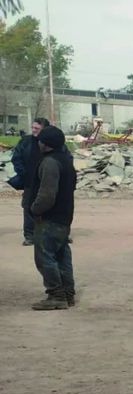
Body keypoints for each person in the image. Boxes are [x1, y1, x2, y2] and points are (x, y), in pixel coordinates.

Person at [25, 125, 76, 310]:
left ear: (45, 144)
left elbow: (47, 195)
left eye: (40, 140)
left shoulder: (49, 163)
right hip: (64, 217)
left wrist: (35, 210)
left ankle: (56, 295)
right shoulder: (66, 160)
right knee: (62, 256)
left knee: (45, 257)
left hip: (49, 219)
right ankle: (68, 293)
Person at [8, 117, 48, 246]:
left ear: (44, 129)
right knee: (28, 207)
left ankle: (54, 234)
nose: (34, 130)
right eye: (33, 128)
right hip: (30, 181)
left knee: (50, 206)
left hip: (47, 182)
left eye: (37, 128)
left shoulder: (52, 142)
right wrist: (23, 174)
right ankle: (29, 235)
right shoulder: (25, 142)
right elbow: (16, 158)